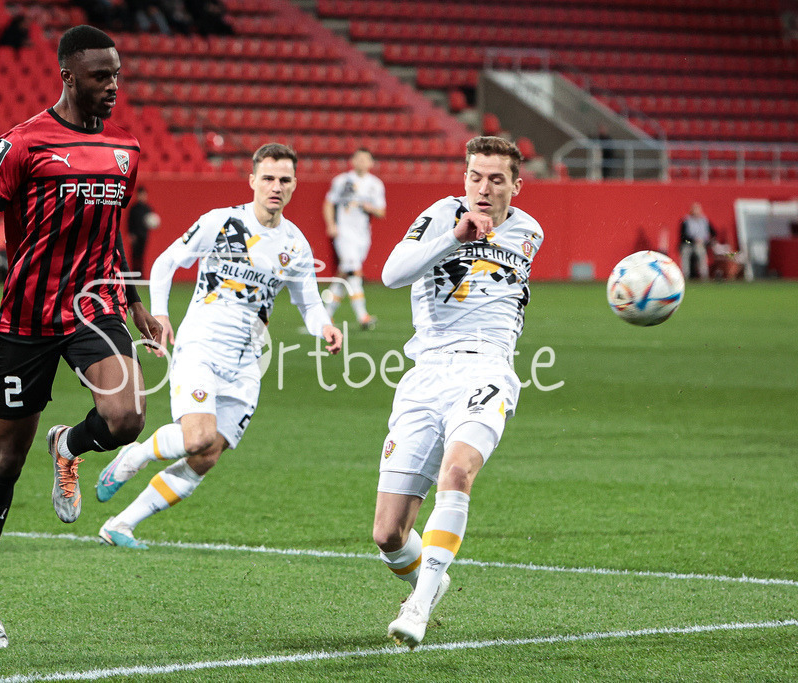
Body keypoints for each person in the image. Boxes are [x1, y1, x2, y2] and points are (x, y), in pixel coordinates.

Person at [0, 25, 164, 649]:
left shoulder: (126, 146)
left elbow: (112, 233)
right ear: (68, 75)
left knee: (127, 418)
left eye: (117, 73)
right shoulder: (25, 141)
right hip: (28, 319)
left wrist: (137, 305)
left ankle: (69, 445)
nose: (112, 85)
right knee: (5, 458)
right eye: (100, 76)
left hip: (95, 309)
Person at [93, 143, 344, 549]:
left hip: (248, 363)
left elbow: (309, 302)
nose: (275, 186)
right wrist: (161, 314)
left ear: (295, 185)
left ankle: (120, 524)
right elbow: (165, 263)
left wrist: (325, 327)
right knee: (195, 437)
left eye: (284, 179)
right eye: (268, 178)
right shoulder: (221, 223)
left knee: (206, 455)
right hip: (202, 347)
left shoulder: (295, 245)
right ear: (252, 181)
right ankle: (135, 456)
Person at [372, 136, 543, 648]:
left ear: (516, 184)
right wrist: (453, 237)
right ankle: (431, 577)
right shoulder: (441, 215)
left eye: (496, 179)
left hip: (488, 369)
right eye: (475, 176)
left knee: (458, 470)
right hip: (426, 375)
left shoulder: (530, 231)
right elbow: (390, 275)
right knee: (388, 536)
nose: (483, 189)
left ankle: (419, 604)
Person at [321, 148, 386, 330]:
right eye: (359, 158)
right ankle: (362, 316)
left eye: (366, 159)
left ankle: (325, 315)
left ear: (371, 163)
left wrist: (370, 207)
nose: (362, 162)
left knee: (345, 272)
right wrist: (331, 224)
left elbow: (381, 212)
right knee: (354, 272)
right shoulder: (342, 181)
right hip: (344, 232)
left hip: (363, 235)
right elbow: (328, 203)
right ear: (353, 161)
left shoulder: (376, 184)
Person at [126, 185, 159, 276]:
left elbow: (151, 222)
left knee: (141, 256)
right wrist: (130, 234)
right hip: (135, 236)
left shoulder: (147, 208)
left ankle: (140, 274)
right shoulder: (134, 208)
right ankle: (134, 274)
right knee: (134, 256)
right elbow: (129, 221)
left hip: (143, 235)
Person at [679, 202, 716, 281]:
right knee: (685, 252)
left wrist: (708, 241)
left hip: (701, 244)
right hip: (688, 243)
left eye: (698, 210)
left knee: (701, 251)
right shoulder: (686, 220)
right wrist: (693, 240)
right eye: (694, 209)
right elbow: (683, 236)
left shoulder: (704, 220)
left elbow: (714, 232)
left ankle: (704, 275)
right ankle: (685, 276)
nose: (696, 212)